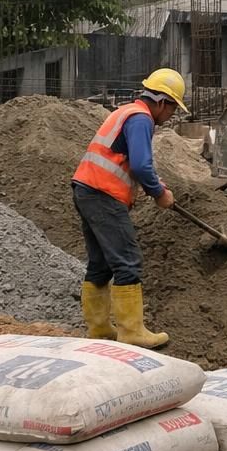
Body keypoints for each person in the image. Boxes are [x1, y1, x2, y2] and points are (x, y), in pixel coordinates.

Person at [71, 68, 187, 349]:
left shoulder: (127, 112)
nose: (171, 116)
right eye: (173, 108)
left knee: (100, 263)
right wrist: (158, 193)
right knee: (128, 262)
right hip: (103, 194)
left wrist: (155, 182)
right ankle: (131, 332)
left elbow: (128, 160)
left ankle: (100, 330)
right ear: (161, 102)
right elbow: (140, 165)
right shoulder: (141, 119)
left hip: (87, 189)